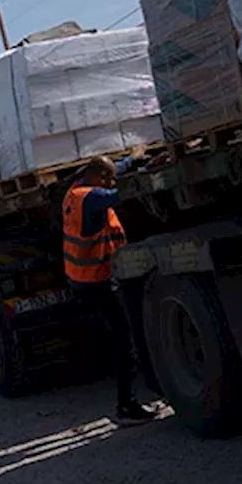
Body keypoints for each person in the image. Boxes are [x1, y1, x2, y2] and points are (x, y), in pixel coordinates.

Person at [62, 156, 154, 424]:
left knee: (119, 337)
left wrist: (135, 160)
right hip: (97, 280)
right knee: (125, 341)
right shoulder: (92, 198)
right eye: (108, 178)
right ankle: (125, 406)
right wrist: (148, 173)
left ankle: (128, 401)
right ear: (99, 177)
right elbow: (118, 193)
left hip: (81, 277)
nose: (111, 181)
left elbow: (110, 173)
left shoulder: (74, 191)